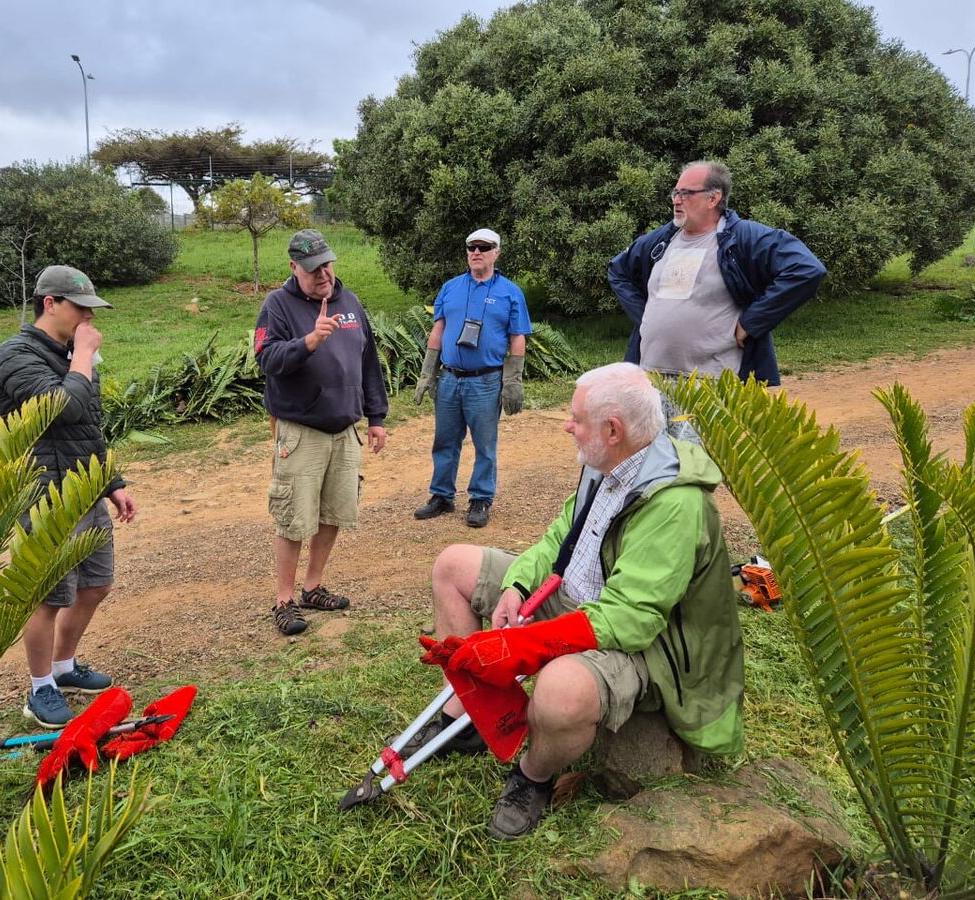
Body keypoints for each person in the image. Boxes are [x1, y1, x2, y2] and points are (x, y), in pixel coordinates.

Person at [409, 363, 744, 840]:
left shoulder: (674, 504)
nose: (567, 425)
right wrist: (518, 587)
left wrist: (528, 647)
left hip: (645, 647)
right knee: (453, 567)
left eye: (576, 417)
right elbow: (559, 541)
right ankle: (466, 720)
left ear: (613, 430)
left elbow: (630, 620)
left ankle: (533, 776)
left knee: (560, 692)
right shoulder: (607, 462)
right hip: (576, 601)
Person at [0, 265, 137, 728]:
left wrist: (112, 483)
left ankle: (64, 667)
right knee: (49, 596)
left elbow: (87, 426)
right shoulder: (15, 355)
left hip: (84, 488)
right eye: (80, 308)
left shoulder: (74, 353)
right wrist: (81, 357)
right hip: (44, 493)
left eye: (91, 311)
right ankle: (39, 689)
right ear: (50, 304)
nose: (88, 319)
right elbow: (63, 408)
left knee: (97, 584)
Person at [607, 160, 825, 435]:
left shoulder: (743, 237)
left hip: (709, 384)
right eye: (675, 193)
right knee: (654, 469)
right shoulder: (662, 240)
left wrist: (752, 322)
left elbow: (806, 269)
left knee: (696, 469)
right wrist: (645, 316)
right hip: (651, 381)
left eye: (686, 193)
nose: (677, 200)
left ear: (714, 197)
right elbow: (618, 270)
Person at [254, 229, 389, 636]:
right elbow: (266, 359)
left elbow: (368, 362)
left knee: (335, 512)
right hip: (302, 431)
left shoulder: (350, 303)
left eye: (327, 265)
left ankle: (312, 587)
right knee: (294, 517)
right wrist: (309, 341)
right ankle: (283, 599)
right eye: (313, 269)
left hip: (345, 428)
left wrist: (377, 417)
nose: (323, 274)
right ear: (294, 268)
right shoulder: (277, 306)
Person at [413, 227, 533, 528]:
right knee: (445, 440)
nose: (476, 252)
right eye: (471, 247)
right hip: (450, 379)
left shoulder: (510, 292)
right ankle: (441, 495)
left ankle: (480, 498)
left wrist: (513, 381)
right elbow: (438, 330)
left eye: (483, 247)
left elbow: (518, 338)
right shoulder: (450, 287)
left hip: (485, 381)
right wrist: (427, 372)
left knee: (484, 444)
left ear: (496, 252)